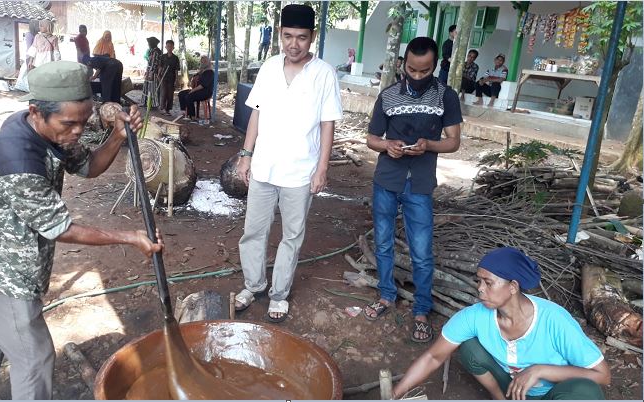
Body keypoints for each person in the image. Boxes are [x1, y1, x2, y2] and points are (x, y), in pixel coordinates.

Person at [0, 61, 163, 400]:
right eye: (70, 123)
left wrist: (117, 135)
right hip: (4, 273)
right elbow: (61, 228)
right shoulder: (17, 159)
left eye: (83, 121)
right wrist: (130, 236)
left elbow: (90, 166)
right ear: (36, 111)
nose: (78, 131)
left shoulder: (55, 129)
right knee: (35, 359)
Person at [233, 4, 343, 323]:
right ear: (280, 35)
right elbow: (257, 111)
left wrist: (322, 168)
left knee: (291, 236)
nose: (294, 44)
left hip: (300, 171)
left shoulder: (324, 73)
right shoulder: (269, 66)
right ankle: (253, 285)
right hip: (264, 166)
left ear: (312, 38)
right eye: (288, 36)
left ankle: (279, 293)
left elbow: (327, 124)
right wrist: (246, 153)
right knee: (253, 230)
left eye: (301, 37)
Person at [392, 247, 610, 400]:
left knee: (585, 392)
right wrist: (393, 396)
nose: (479, 288)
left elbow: (602, 376)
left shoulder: (554, 320)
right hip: (511, 389)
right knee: (470, 348)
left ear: (513, 286)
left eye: (488, 282)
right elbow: (433, 357)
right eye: (479, 280)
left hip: (555, 394)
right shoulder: (474, 316)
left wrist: (540, 370)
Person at [363, 37, 462, 343]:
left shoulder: (446, 96)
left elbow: (454, 142)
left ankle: (421, 309)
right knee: (382, 242)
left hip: (419, 183)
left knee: (421, 251)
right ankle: (386, 295)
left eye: (425, 71)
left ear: (434, 67)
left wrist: (429, 145)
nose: (417, 77)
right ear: (402, 64)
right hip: (387, 179)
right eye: (412, 70)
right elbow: (371, 138)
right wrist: (387, 145)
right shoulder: (388, 95)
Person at [178, 55, 214, 120]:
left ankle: (192, 116)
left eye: (205, 61)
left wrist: (193, 90)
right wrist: (198, 74)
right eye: (202, 61)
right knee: (181, 93)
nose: (203, 63)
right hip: (198, 90)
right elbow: (194, 78)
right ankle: (184, 111)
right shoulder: (202, 72)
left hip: (206, 92)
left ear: (208, 62)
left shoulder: (210, 72)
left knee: (189, 96)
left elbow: (202, 85)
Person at [14, 21, 40, 92]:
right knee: (29, 72)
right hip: (30, 55)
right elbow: (29, 47)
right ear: (34, 26)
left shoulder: (37, 35)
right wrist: (32, 55)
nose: (39, 27)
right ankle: (28, 87)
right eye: (38, 25)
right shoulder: (29, 34)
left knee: (31, 72)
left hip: (36, 56)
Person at [159, 39, 180, 115]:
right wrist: (159, 75)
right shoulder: (163, 57)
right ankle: (163, 108)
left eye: (171, 46)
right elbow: (160, 67)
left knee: (170, 94)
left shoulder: (175, 58)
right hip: (163, 77)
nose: (169, 48)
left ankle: (168, 109)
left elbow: (176, 70)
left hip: (172, 78)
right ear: (165, 47)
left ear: (173, 48)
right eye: (168, 46)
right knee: (163, 93)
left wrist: (177, 80)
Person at [142, 37, 162, 109]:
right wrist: (147, 72)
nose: (148, 44)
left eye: (149, 43)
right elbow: (150, 63)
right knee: (148, 88)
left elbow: (155, 64)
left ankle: (152, 104)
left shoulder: (156, 52)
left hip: (153, 73)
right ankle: (147, 103)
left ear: (152, 43)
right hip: (150, 71)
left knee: (152, 88)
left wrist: (151, 73)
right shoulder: (152, 51)